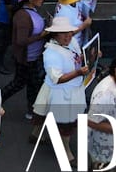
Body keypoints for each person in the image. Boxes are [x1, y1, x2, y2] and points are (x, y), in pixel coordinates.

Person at [30, 14, 91, 157]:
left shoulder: (72, 43)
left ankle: (35, 134)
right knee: (66, 124)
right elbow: (57, 79)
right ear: (55, 35)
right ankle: (67, 153)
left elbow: (78, 55)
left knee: (44, 114)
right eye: (63, 33)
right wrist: (78, 73)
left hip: (71, 90)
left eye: (69, 32)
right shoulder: (50, 53)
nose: (68, 36)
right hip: (60, 93)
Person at [0, 0, 48, 114]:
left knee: (33, 84)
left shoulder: (31, 9)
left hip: (33, 56)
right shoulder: (22, 16)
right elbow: (21, 41)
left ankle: (31, 110)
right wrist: (42, 35)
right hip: (26, 59)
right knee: (19, 83)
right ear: (31, 0)